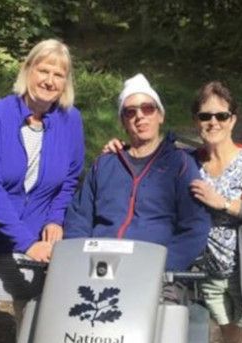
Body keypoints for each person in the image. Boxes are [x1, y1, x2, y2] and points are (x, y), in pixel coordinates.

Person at [102, 81, 242, 343]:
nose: (213, 122)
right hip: (211, 273)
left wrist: (224, 203)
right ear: (196, 121)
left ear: (233, 119)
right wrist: (121, 147)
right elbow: (148, 153)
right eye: (205, 116)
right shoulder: (187, 161)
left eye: (221, 115)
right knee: (231, 341)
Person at [0, 39, 84, 343]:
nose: (49, 80)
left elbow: (70, 178)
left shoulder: (71, 120)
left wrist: (55, 218)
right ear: (28, 70)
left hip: (37, 232)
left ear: (66, 82)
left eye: (58, 74)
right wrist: (25, 242)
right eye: (43, 70)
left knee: (29, 313)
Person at [64, 73, 210, 274]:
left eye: (148, 108)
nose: (139, 116)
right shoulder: (105, 164)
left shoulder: (180, 164)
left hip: (154, 269)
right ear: (123, 122)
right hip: (98, 267)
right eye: (130, 112)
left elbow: (195, 227)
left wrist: (163, 267)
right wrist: (79, 260)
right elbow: (79, 218)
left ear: (160, 115)